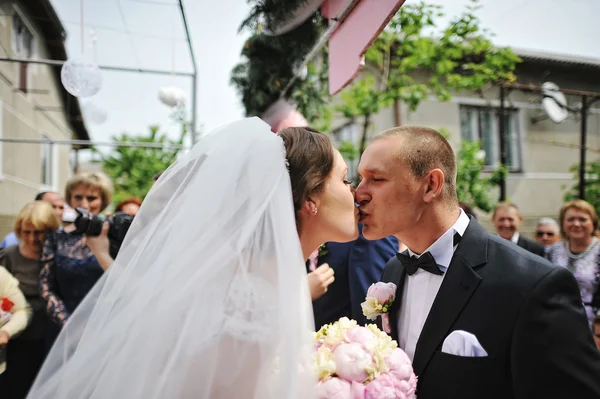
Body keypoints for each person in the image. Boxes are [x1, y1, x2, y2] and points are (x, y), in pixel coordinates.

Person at [27, 118, 359, 398]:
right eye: (345, 180)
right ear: (311, 199)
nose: (355, 191)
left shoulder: (261, 283)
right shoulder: (250, 302)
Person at [356, 125, 600, 399]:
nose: (359, 193)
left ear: (431, 185)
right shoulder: (393, 270)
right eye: (360, 179)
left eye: (376, 179)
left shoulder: (533, 284)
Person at [0, 201, 60, 398]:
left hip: (51, 337)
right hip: (17, 339)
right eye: (27, 232)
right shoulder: (9, 257)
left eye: (39, 232)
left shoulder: (59, 256)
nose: (32, 239)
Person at [545, 200, 600, 326]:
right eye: (570, 219)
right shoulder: (552, 251)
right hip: (557, 321)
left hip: (593, 324)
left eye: (582, 219)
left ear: (593, 223)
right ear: (563, 223)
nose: (576, 224)